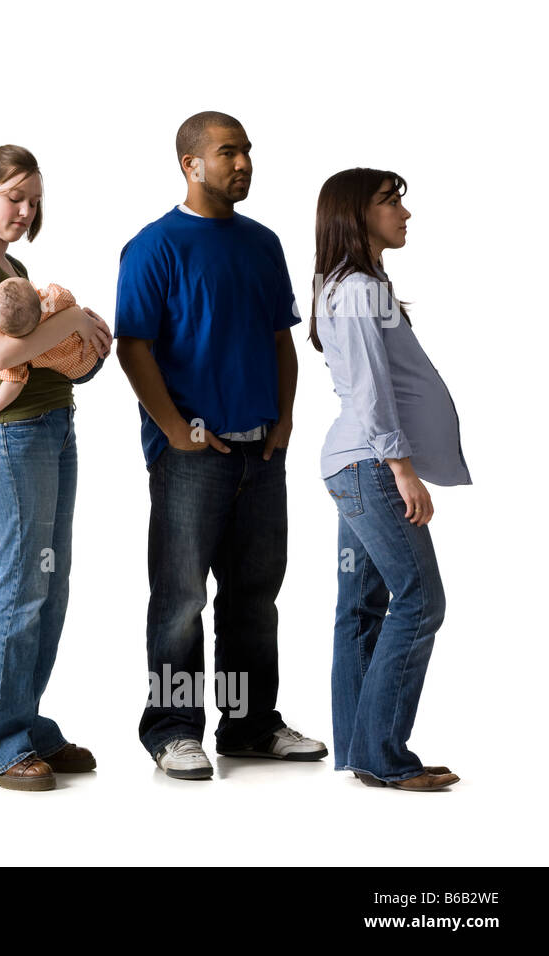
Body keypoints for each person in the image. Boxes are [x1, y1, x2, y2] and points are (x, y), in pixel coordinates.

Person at [114, 111, 326, 781]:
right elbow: (133, 346)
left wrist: (285, 420)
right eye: (228, 151)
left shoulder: (263, 244)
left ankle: (250, 725)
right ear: (190, 163)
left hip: (261, 451)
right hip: (191, 456)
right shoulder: (154, 246)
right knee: (180, 600)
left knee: (254, 596)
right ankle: (174, 731)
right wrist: (175, 429)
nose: (243, 163)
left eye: (247, 152)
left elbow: (279, 340)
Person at [0, 144, 111, 792]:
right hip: (9, 434)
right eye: (14, 195)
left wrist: (81, 342)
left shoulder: (16, 265)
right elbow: (1, 345)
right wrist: (69, 317)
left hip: (51, 425)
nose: (25, 209)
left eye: (33, 199)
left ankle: (25, 724)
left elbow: (42, 349)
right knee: (22, 583)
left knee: (50, 582)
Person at [311, 168, 470, 791]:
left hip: (357, 461)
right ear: (355, 214)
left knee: (362, 605)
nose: (404, 213)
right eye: (389, 202)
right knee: (421, 599)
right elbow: (373, 389)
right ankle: (383, 753)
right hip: (369, 465)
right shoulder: (354, 289)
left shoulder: (362, 284)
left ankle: (360, 750)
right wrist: (402, 468)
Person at [0, 278, 100, 424]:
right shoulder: (53, 299)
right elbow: (68, 297)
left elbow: (13, 383)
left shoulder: (19, 351)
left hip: (81, 371)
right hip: (93, 345)